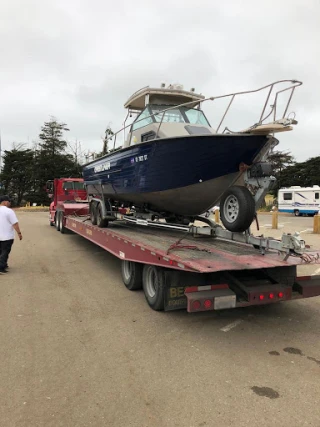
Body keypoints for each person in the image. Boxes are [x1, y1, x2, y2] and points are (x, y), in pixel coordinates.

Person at [0, 195, 22, 274]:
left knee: (1, 251)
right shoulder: (9, 211)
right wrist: (19, 233)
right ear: (5, 202)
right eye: (9, 201)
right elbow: (15, 223)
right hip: (7, 236)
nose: (10, 203)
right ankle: (1, 268)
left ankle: (4, 264)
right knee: (5, 252)